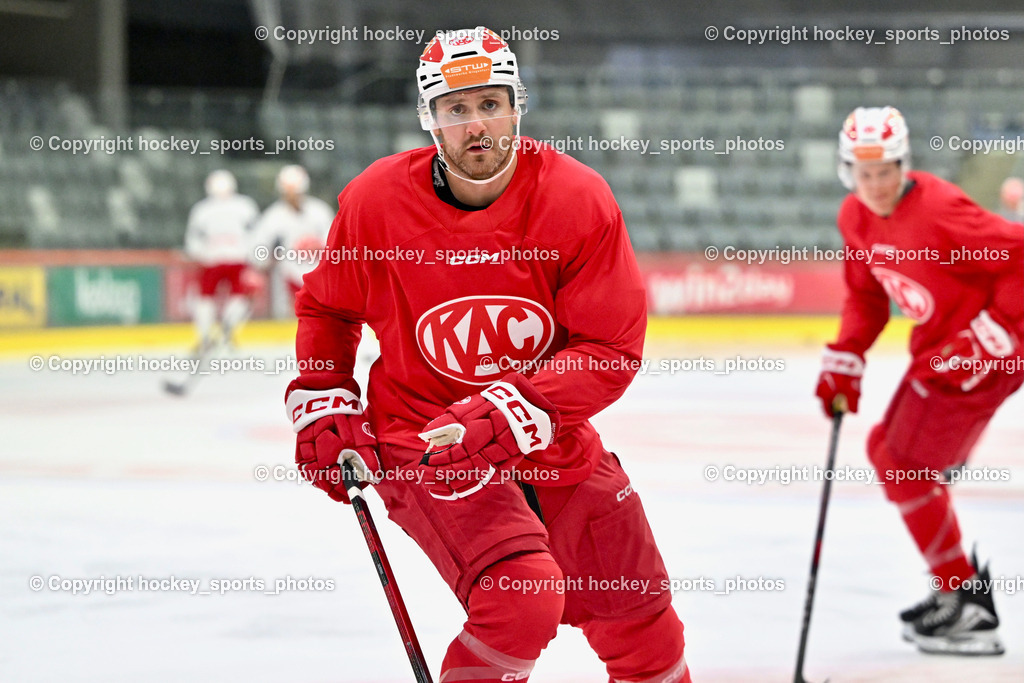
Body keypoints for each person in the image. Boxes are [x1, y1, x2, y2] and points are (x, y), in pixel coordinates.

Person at [284, 26, 690, 683]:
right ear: (430, 119)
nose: (477, 125)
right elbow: (329, 308)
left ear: (516, 106)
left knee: (642, 617)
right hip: (425, 439)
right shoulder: (376, 202)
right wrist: (325, 393)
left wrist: (519, 407)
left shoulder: (576, 199)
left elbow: (610, 346)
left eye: (490, 104)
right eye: (457, 108)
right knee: (520, 598)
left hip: (547, 435)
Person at [815, 106, 1023, 656]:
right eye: (865, 173)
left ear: (902, 164)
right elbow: (865, 297)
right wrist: (846, 357)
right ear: (847, 172)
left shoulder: (938, 209)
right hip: (938, 353)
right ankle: (958, 588)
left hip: (982, 357)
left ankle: (968, 605)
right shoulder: (855, 218)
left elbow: (1020, 256)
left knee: (904, 464)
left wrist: (998, 332)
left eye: (886, 171)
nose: (877, 184)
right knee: (891, 453)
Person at [183, 169, 261, 350]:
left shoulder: (202, 209)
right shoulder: (245, 206)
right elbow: (257, 234)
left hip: (212, 261)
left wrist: (199, 254)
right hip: (237, 260)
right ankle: (227, 329)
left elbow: (193, 239)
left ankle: (206, 336)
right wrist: (254, 255)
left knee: (206, 297)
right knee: (241, 296)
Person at [252, 164, 335, 304]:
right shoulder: (272, 217)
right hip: (286, 281)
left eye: (295, 192)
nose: (292, 196)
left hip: (320, 280)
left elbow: (334, 244)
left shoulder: (320, 212)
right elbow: (258, 254)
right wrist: (268, 257)